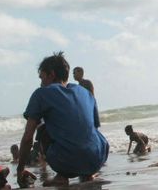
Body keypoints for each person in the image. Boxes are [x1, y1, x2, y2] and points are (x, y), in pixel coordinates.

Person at [17, 52, 109, 187]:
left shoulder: (41, 94)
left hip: (67, 163)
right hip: (98, 159)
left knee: (42, 128)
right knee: (86, 130)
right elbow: (93, 128)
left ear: (51, 74)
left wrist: (20, 170)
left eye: (42, 77)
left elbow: (27, 138)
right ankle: (87, 173)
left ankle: (62, 176)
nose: (41, 83)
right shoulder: (85, 92)